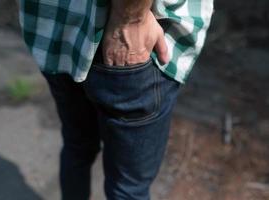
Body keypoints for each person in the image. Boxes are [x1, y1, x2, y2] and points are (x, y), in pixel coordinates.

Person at [18, 0, 214, 199]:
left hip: (54, 30)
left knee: (77, 146)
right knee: (127, 188)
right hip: (126, 32)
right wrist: (131, 20)